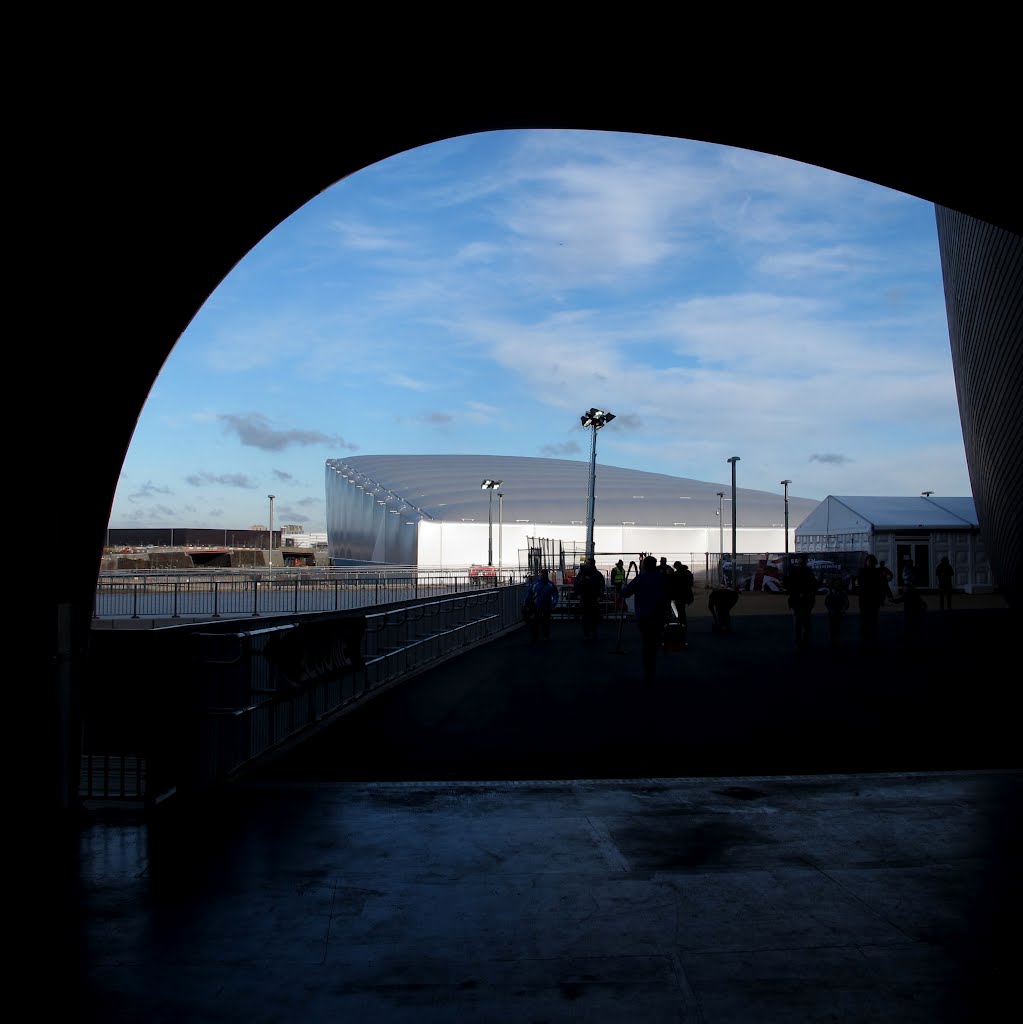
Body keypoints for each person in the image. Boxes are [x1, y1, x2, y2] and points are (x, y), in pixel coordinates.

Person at [620, 555, 671, 683]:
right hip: (658, 615)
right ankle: (653, 662)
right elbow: (668, 595)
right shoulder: (662, 578)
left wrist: (622, 590)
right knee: (653, 641)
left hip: (644, 616)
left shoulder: (641, 578)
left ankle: (649, 670)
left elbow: (626, 592)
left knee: (647, 642)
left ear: (644, 566)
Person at [786, 555, 818, 651]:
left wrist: (807, 594)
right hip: (799, 600)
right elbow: (790, 585)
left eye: (802, 560)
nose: (800, 561)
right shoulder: (805, 572)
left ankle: (801, 642)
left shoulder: (806, 572)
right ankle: (801, 642)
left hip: (803, 600)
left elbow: (814, 586)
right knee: (801, 623)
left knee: (802, 623)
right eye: (800, 559)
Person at [856, 554, 887, 648]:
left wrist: (881, 599)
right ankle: (865, 640)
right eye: (869, 561)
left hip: (873, 600)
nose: (870, 563)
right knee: (865, 620)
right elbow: (859, 585)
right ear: (866, 562)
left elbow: (881, 586)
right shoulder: (862, 571)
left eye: (872, 561)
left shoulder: (877, 572)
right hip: (865, 600)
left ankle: (871, 639)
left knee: (872, 620)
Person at [573, 556, 604, 640]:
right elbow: (576, 583)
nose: (585, 564)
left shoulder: (597, 574)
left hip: (593, 598)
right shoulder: (582, 574)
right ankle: (586, 633)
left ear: (591, 565)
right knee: (585, 616)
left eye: (587, 563)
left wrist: (600, 596)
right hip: (585, 597)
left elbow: (601, 585)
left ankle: (593, 632)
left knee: (593, 616)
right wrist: (578, 593)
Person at [527, 569, 559, 642]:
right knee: (545, 621)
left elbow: (530, 594)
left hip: (538, 605)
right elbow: (555, 594)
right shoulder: (550, 584)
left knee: (537, 621)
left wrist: (527, 603)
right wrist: (554, 602)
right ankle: (545, 636)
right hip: (546, 605)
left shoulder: (536, 584)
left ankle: (536, 637)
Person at [670, 560, 695, 646]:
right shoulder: (687, 573)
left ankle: (681, 626)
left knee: (680, 611)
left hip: (680, 595)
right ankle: (683, 626)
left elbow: (672, 583)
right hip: (685, 595)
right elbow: (691, 583)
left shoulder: (676, 574)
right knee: (681, 611)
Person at [824, 576, 849, 650]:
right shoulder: (830, 593)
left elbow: (846, 603)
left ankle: (838, 643)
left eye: (838, 583)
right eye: (836, 583)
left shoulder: (842, 593)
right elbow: (827, 603)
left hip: (840, 613)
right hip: (832, 613)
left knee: (839, 629)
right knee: (833, 629)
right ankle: (834, 642)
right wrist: (830, 610)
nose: (837, 585)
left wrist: (843, 610)